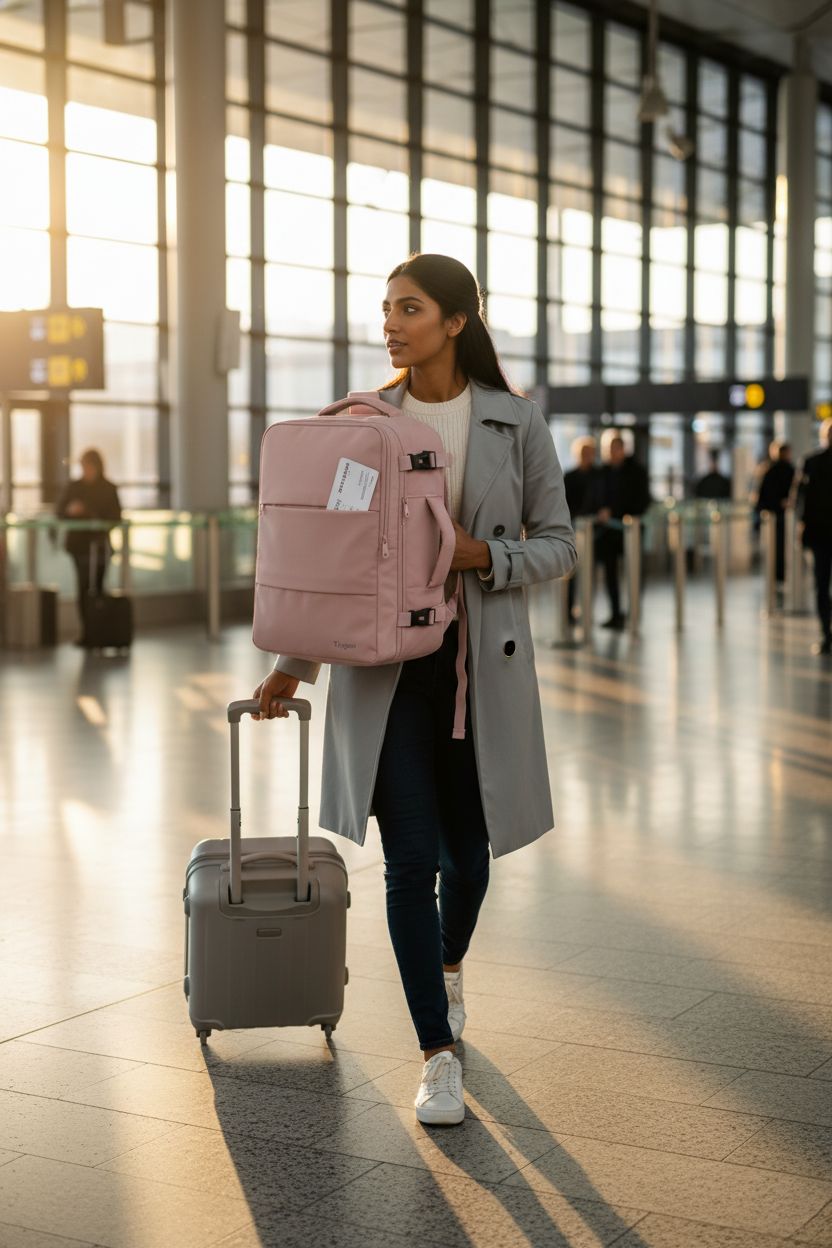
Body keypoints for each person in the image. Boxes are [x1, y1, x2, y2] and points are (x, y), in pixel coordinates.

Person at [252, 253, 576, 1126]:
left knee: (468, 860)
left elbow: (560, 543)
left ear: (457, 321)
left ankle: (448, 963)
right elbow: (334, 565)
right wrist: (293, 661)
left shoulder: (515, 424)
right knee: (408, 867)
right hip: (385, 676)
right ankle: (437, 1052)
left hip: (481, 674)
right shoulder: (364, 426)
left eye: (410, 308)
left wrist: (485, 556)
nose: (391, 323)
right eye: (387, 307)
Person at [56, 449, 122, 646]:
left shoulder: (108, 488)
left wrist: (91, 513)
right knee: (83, 588)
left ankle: (100, 632)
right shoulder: (74, 487)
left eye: (88, 466)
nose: (85, 470)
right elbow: (60, 512)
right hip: (79, 547)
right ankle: (87, 633)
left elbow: (115, 517)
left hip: (101, 545)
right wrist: (71, 511)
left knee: (99, 588)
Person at [593, 430, 651, 630]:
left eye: (616, 448)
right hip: (609, 533)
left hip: (631, 531)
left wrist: (615, 512)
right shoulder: (603, 471)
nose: (613, 452)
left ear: (623, 449)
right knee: (610, 573)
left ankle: (634, 610)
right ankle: (616, 613)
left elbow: (642, 501)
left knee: (635, 570)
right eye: (610, 449)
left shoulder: (637, 471)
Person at [794, 419, 832, 656]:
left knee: (821, 584)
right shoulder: (810, 463)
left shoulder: (811, 463)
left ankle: (826, 634)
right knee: (821, 585)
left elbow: (800, 501)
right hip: (820, 533)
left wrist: (803, 529)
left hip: (820, 533)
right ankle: (826, 633)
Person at [563, 436, 602, 619]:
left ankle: (587, 609)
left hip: (595, 533)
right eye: (583, 453)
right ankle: (568, 610)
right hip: (573, 532)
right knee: (571, 573)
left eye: (589, 453)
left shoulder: (600, 476)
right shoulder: (569, 477)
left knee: (591, 572)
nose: (586, 456)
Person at [755, 441, 795, 584]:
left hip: (773, 516)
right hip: (779, 517)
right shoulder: (789, 470)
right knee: (781, 548)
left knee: (776, 548)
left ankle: (777, 575)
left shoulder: (769, 470)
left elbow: (761, 497)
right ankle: (780, 575)